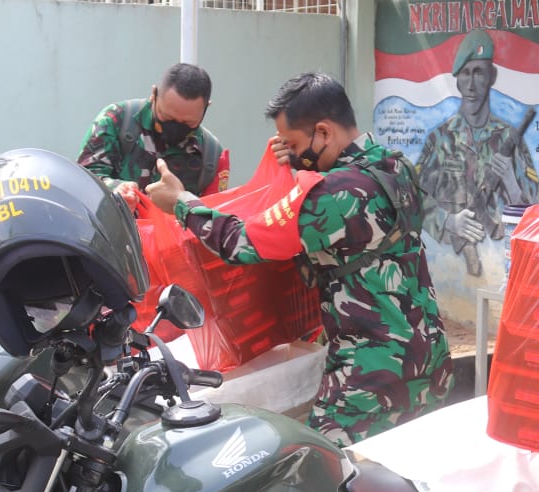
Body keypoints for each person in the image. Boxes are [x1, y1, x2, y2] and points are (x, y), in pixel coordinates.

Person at [146, 72, 454, 446]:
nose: (289, 152)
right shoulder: (395, 165)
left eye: (292, 143)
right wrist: (299, 167)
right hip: (428, 351)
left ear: (323, 132)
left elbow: (241, 242)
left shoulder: (330, 194)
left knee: (328, 469)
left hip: (371, 371)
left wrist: (181, 204)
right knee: (405, 468)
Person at [417, 28, 539, 277]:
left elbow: (538, 211)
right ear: (457, 80)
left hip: (503, 268)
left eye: (479, 73)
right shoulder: (440, 139)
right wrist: (448, 221)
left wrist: (510, 181)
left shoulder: (509, 138)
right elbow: (412, 197)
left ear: (492, 76)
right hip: (450, 275)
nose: (472, 85)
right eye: (465, 74)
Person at [77, 62, 229, 200]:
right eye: (166, 116)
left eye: (188, 123)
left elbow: (212, 218)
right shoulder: (117, 121)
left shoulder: (212, 157)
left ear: (205, 109)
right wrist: (116, 189)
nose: (175, 128)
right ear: (154, 95)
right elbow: (84, 179)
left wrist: (181, 202)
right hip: (114, 228)